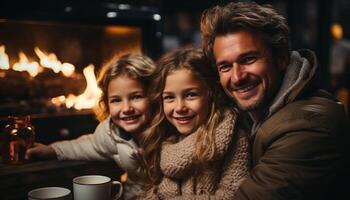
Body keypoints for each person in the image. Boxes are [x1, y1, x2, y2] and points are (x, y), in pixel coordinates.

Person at [200, 1, 350, 199]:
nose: (237, 77)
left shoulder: (312, 124)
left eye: (248, 59)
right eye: (225, 67)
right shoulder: (250, 115)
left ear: (280, 57)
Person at [25, 53, 157, 200]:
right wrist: (51, 150)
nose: (126, 108)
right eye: (116, 100)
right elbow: (85, 146)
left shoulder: (167, 129)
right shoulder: (111, 133)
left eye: (136, 97)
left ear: (155, 96)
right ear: (106, 103)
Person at [138, 46, 250, 199]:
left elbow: (231, 196)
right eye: (169, 97)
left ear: (211, 95)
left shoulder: (233, 138)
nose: (179, 107)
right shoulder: (162, 138)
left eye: (191, 95)